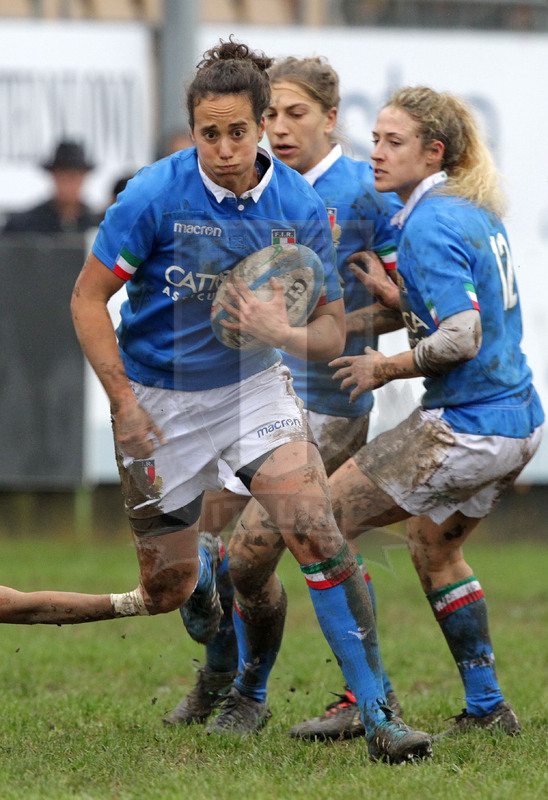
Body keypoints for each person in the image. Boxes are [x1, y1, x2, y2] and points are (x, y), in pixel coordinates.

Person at [0, 40, 432, 764]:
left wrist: (282, 332)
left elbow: (329, 329)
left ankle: (380, 714)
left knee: (314, 529)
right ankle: (212, 629)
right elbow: (86, 300)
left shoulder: (299, 205)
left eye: (240, 131)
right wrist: (123, 404)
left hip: (251, 387)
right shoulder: (151, 195)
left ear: (263, 125)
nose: (226, 148)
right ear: (192, 130)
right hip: (155, 399)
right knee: (170, 590)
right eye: (210, 134)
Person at [165, 55, 405, 741]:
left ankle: (273, 692)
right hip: (244, 400)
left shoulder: (363, 192)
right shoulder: (248, 190)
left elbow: (412, 305)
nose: (279, 128)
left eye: (296, 114)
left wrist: (331, 327)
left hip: (328, 406)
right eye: (271, 115)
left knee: (255, 558)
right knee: (201, 558)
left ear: (331, 118)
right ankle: (219, 680)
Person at [294, 85, 543, 739]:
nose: (376, 153)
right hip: (520, 426)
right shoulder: (469, 210)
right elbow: (459, 311)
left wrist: (385, 365)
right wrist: (398, 297)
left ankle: (367, 704)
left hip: (465, 428)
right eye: (374, 138)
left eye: (393, 142)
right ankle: (488, 708)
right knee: (434, 548)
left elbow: (462, 336)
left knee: (320, 521)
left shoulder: (429, 222)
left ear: (433, 152)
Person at [3, 140, 101, 234]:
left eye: (73, 177)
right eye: (62, 177)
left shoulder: (98, 226)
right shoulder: (23, 225)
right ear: (53, 177)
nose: (68, 185)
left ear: (83, 178)